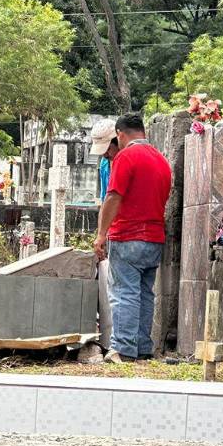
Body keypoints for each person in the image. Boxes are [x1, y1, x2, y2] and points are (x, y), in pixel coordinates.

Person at [92, 113, 171, 363]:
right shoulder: (161, 160)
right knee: (144, 294)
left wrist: (101, 234)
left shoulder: (126, 157)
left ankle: (123, 348)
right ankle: (142, 347)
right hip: (154, 237)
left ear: (120, 134)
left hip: (127, 236)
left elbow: (113, 196)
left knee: (124, 293)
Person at [89, 118, 119, 202]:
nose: (105, 154)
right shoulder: (104, 163)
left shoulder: (130, 162)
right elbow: (105, 197)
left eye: (108, 149)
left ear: (118, 141)